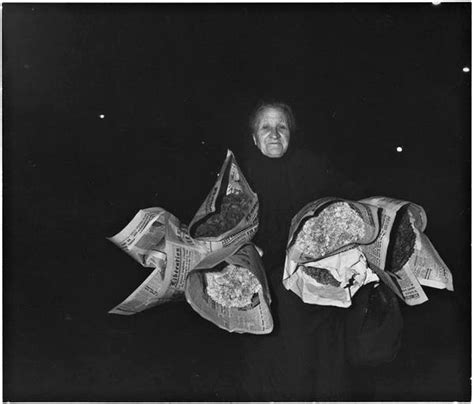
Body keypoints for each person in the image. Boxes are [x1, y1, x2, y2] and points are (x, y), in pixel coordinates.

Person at [238, 101, 355, 401]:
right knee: (276, 373)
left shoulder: (314, 169)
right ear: (254, 137)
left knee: (321, 371)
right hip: (268, 296)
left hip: (316, 294)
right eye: (265, 127)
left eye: (282, 127)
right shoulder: (240, 178)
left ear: (292, 134)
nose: (274, 134)